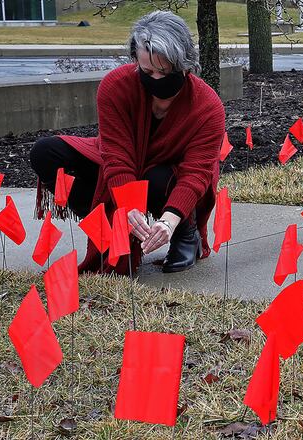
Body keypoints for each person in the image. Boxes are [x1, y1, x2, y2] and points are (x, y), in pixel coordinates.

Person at [29, 11, 226, 275]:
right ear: (135, 61)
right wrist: (128, 207)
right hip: (126, 159)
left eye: (164, 72)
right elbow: (116, 155)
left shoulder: (208, 106)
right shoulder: (115, 86)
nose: (155, 79)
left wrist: (169, 221)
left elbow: (196, 173)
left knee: (154, 179)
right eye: (147, 71)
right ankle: (109, 226)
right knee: (46, 153)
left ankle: (185, 232)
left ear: (185, 64)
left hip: (168, 175)